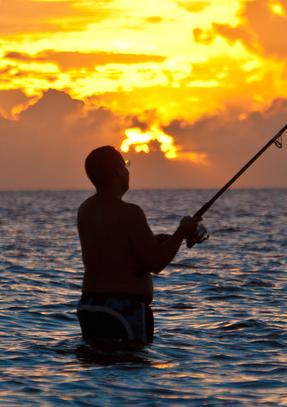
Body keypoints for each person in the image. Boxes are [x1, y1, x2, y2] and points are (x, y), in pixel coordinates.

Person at [76, 146, 200, 344]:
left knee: (97, 367)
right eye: (125, 165)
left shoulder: (86, 209)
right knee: (132, 368)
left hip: (89, 306)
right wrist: (182, 230)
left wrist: (168, 238)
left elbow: (118, 248)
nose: (127, 170)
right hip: (123, 310)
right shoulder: (130, 212)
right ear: (118, 171)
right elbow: (156, 262)